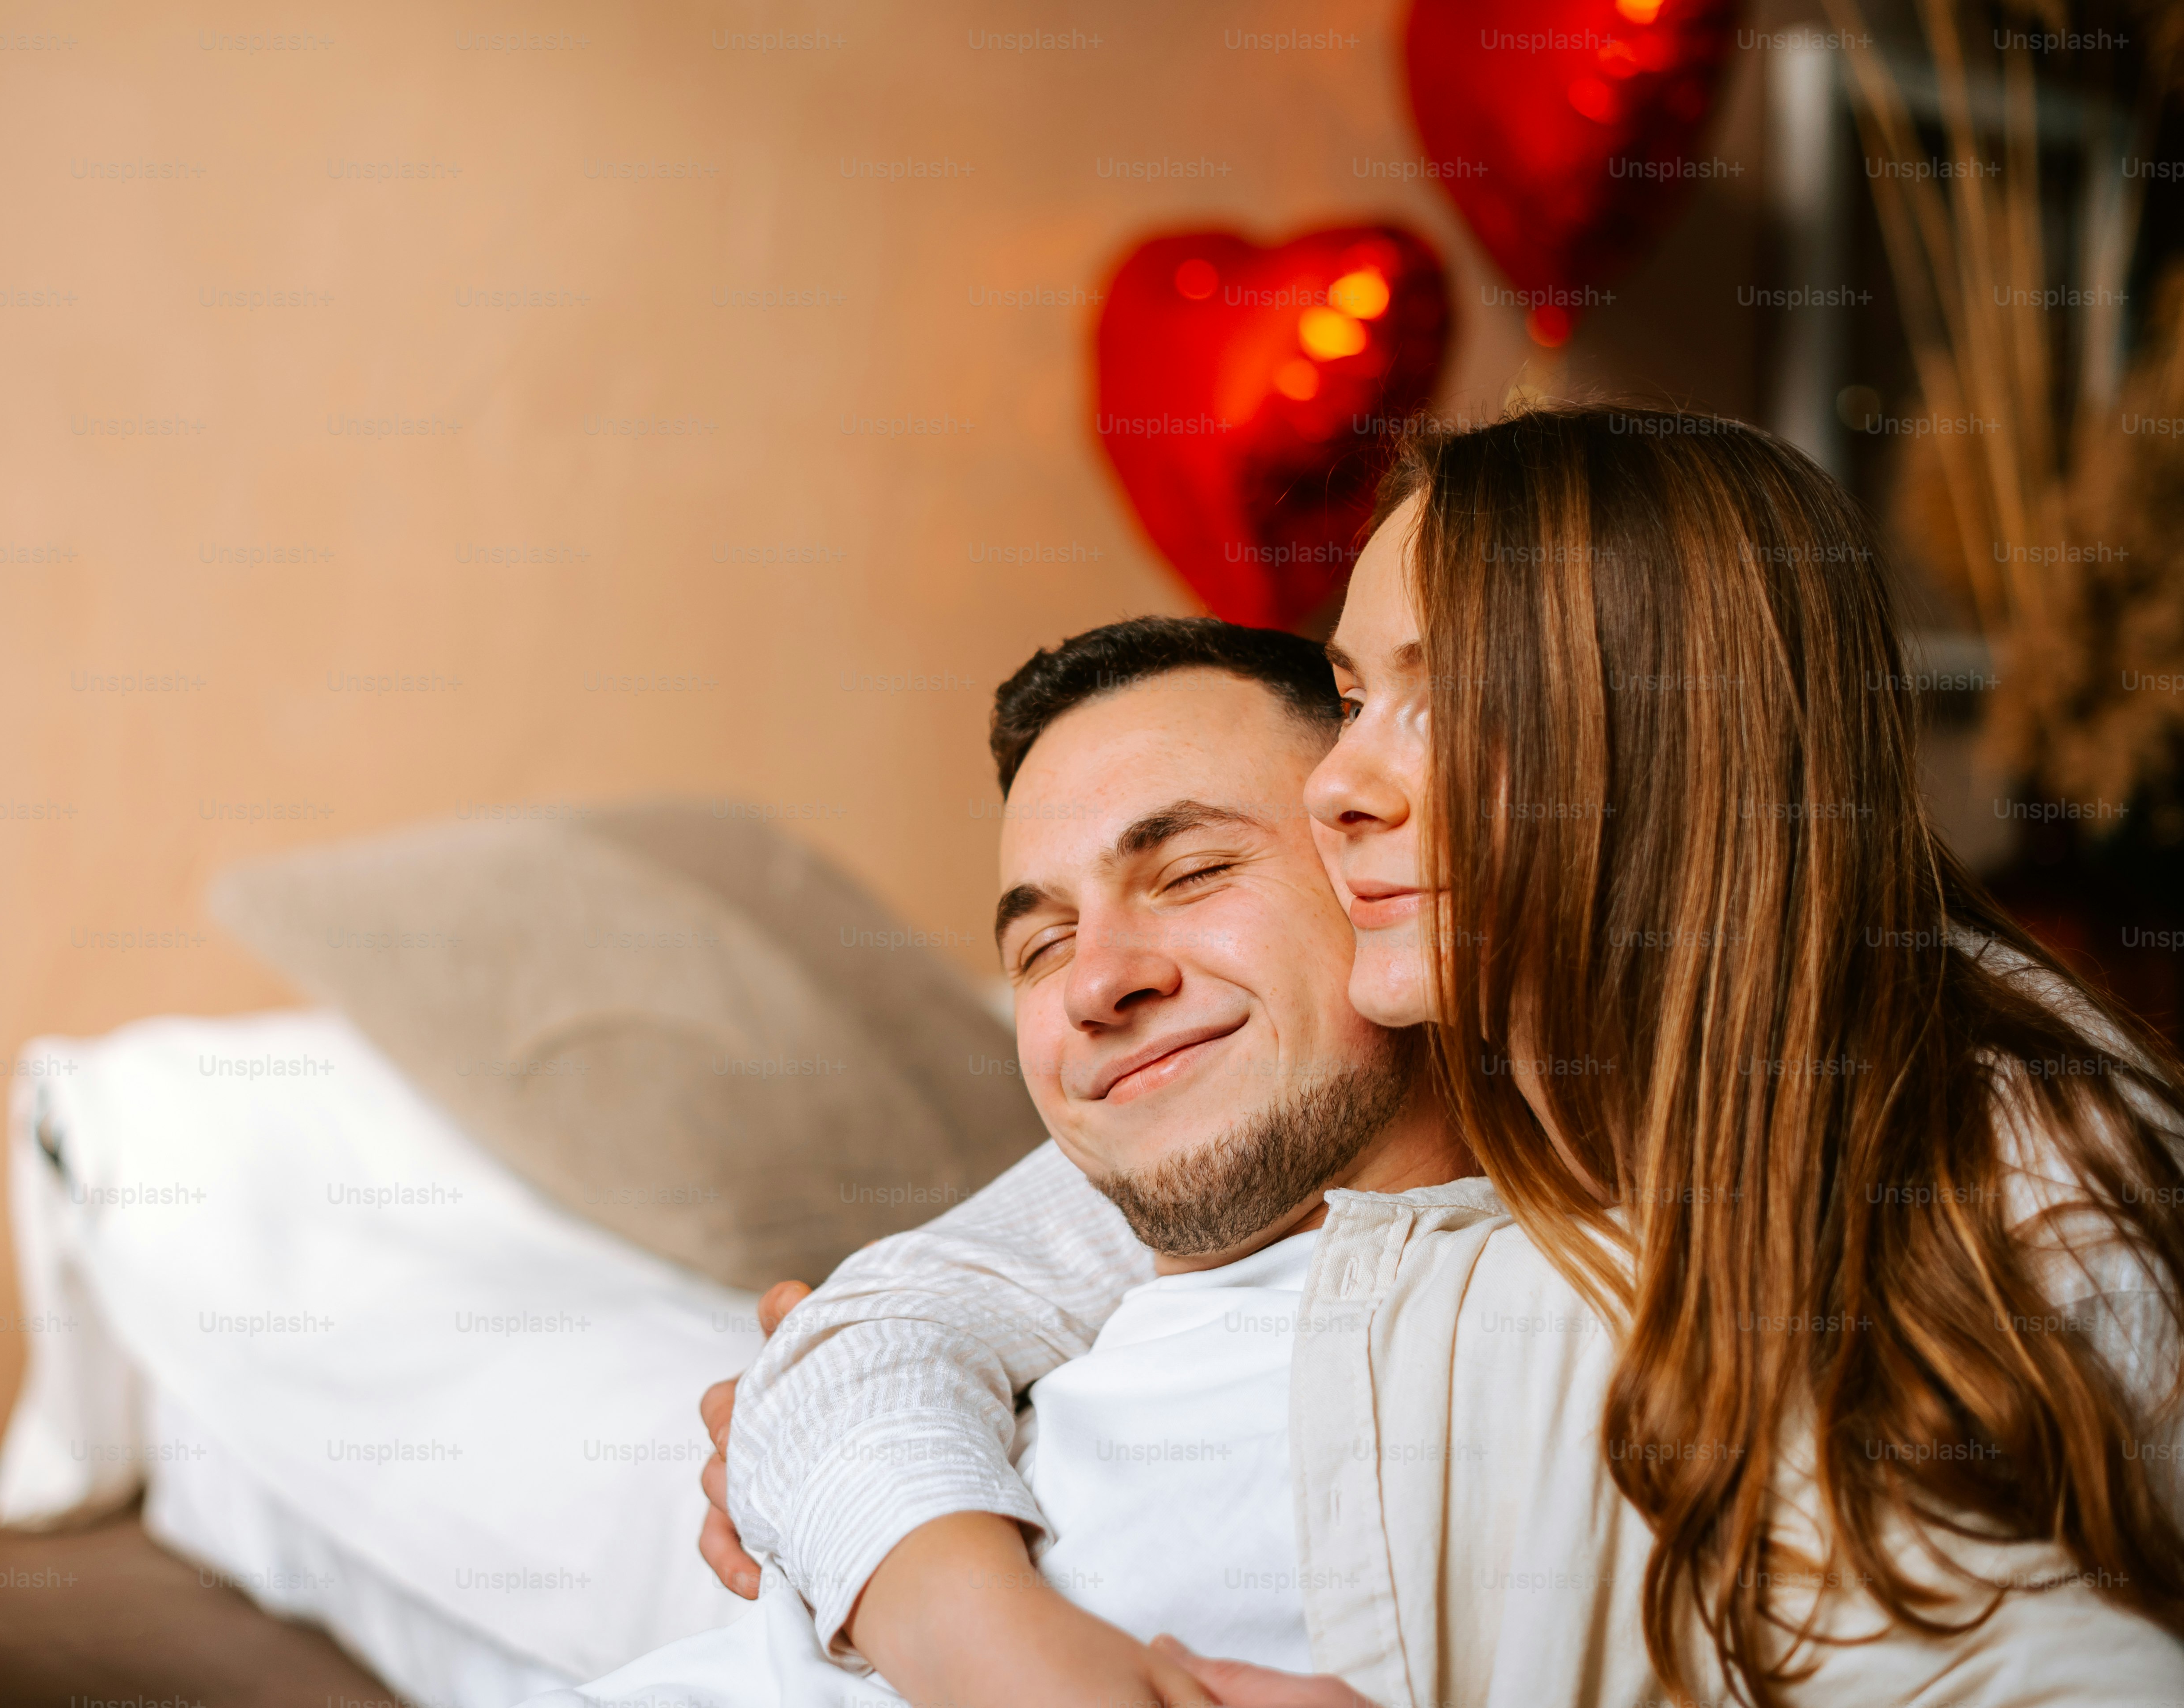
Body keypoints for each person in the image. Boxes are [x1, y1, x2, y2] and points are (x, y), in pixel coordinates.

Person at [705, 406, 2184, 1707]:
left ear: (1670, 737)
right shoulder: (1443, 1037)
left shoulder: (1997, 1168)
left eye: (1446, 692)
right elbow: (889, 1322)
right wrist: (940, 1594)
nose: (1338, 786)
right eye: (1351, 699)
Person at [522, 619, 1477, 1708]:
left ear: (1387, 874)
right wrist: (992, 1647)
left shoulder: (1580, 1289)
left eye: (1193, 870)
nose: (1092, 984)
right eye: (1041, 944)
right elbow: (858, 1335)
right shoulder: (1148, 1197)